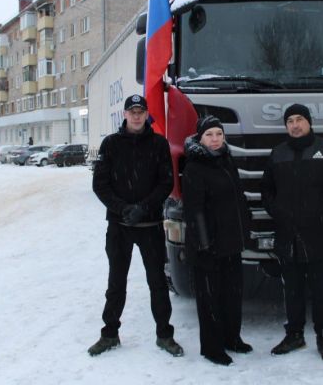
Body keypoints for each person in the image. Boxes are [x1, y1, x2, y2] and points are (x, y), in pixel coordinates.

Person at [88, 94, 184, 358]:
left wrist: (143, 207)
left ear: (146, 114)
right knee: (116, 283)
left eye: (141, 111)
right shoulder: (111, 144)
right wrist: (123, 209)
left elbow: (166, 182)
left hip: (150, 225)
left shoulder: (158, 144)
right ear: (125, 115)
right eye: (132, 111)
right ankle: (109, 334)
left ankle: (165, 335)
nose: (137, 115)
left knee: (157, 283)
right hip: (119, 227)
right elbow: (100, 184)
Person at [261, 103, 323, 363]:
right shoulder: (278, 154)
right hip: (288, 236)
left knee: (321, 290)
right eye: (290, 121)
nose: (295, 125)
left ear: (309, 122)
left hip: (319, 233)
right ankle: (295, 334)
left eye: (299, 119)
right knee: (293, 290)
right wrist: (278, 212)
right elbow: (267, 192)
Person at [181, 116, 253, 366]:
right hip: (207, 247)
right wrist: (204, 243)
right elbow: (194, 210)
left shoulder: (226, 161)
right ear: (200, 138)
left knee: (232, 295)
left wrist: (246, 228)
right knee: (210, 299)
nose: (215, 139)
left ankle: (232, 338)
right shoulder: (194, 167)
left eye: (219, 134)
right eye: (209, 135)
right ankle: (212, 348)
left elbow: (236, 199)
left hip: (231, 242)